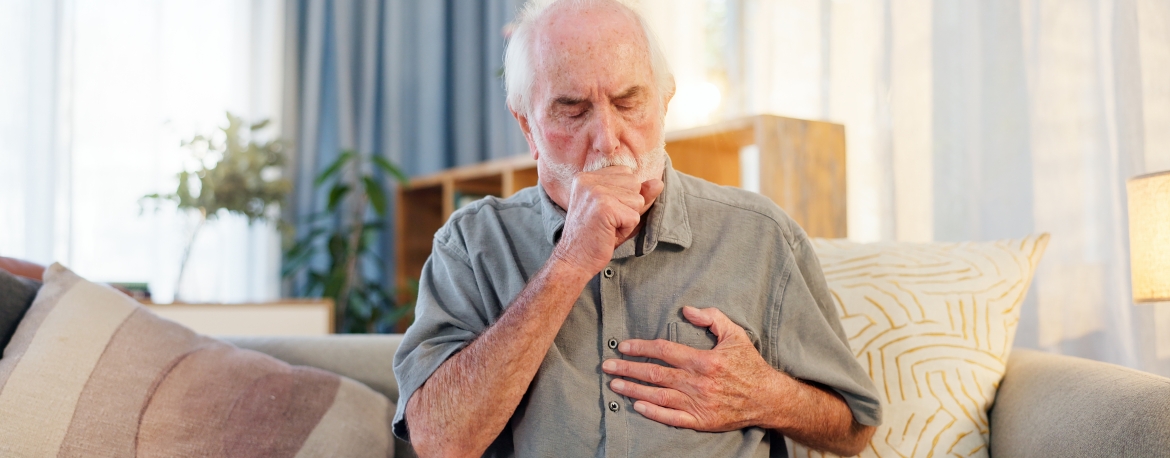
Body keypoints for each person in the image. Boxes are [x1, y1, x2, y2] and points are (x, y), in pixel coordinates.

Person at [392, 0, 881, 456]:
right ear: (527, 126)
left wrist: (765, 397)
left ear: (665, 101)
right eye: (572, 109)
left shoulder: (760, 234)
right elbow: (439, 441)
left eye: (629, 102)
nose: (607, 139)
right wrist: (568, 264)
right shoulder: (472, 244)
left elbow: (855, 427)